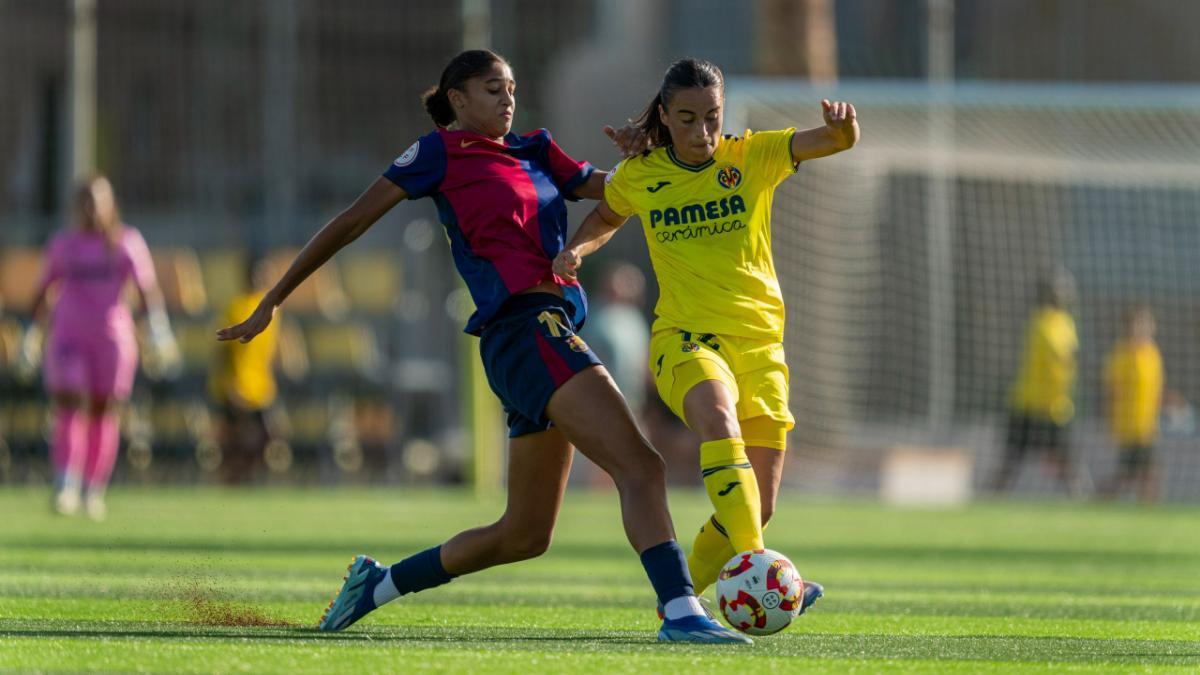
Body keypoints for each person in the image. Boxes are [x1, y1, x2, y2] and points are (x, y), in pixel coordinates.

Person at [217, 49, 748, 644]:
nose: (507, 98)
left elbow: (624, 194)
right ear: (458, 99)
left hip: (547, 335)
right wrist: (276, 297)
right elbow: (351, 221)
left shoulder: (536, 148)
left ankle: (378, 583)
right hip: (525, 330)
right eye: (493, 89)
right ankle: (681, 613)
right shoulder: (438, 152)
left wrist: (648, 151)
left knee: (524, 534)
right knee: (641, 466)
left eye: (512, 88)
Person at [554, 58, 858, 606]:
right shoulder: (641, 174)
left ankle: (682, 599)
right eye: (688, 119)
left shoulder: (753, 155)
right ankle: (762, 566)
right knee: (718, 420)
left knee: (756, 506)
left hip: (761, 344)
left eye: (712, 117)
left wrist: (843, 132)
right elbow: (607, 214)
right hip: (687, 339)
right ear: (665, 118)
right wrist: (577, 247)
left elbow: (827, 142)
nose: (703, 132)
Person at [27, 175, 176, 520]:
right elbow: (43, 290)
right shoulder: (64, 245)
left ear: (110, 204)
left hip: (111, 340)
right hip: (69, 336)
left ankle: (93, 488)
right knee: (69, 404)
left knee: (102, 411)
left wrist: (158, 330)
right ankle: (66, 482)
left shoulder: (126, 243)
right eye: (85, 201)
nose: (92, 209)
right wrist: (32, 336)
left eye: (98, 201)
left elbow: (147, 289)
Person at [991, 271, 1079, 495]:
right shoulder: (1042, 322)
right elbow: (1060, 356)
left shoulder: (1066, 323)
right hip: (1029, 404)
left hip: (1055, 407)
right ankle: (991, 496)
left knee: (1066, 461)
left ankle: (1082, 498)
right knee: (1011, 460)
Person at [209, 258, 281, 484]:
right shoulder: (236, 307)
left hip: (260, 386)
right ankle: (232, 481)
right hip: (237, 385)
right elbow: (223, 351)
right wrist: (229, 383)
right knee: (237, 439)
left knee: (266, 437)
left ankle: (250, 481)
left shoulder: (271, 309)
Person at [1100, 305, 1164, 503]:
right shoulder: (1120, 356)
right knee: (1138, 474)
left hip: (1147, 427)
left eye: (1147, 323)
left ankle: (1143, 509)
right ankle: (1099, 500)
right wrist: (1109, 423)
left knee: (1142, 474)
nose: (1145, 328)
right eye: (1140, 324)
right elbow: (1109, 392)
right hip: (1128, 428)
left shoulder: (1153, 355)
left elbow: (1157, 391)